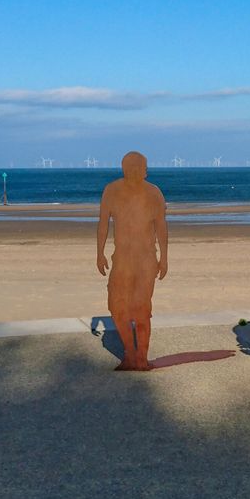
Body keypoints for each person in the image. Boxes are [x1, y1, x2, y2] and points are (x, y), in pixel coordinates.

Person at [96, 151, 168, 371]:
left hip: (146, 258)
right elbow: (103, 224)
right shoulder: (112, 190)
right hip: (122, 259)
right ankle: (130, 353)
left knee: (142, 308)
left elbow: (161, 227)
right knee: (117, 306)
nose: (145, 171)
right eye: (142, 166)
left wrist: (164, 258)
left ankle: (142, 358)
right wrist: (99, 253)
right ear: (129, 168)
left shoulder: (153, 193)